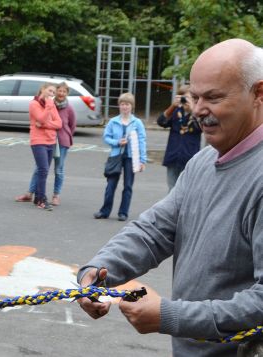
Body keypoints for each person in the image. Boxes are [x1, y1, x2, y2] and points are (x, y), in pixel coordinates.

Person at [77, 38, 263, 356]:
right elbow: (155, 229)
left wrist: (169, 315)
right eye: (194, 96)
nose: (199, 110)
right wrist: (99, 271)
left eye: (213, 97)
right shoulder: (202, 162)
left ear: (259, 93)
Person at [15, 82, 76, 206]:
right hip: (46, 140)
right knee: (40, 169)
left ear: (67, 94)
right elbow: (43, 119)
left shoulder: (68, 108)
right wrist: (48, 122)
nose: (60, 94)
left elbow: (68, 125)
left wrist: (44, 125)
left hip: (61, 141)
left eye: (64, 92)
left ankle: (55, 195)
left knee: (58, 169)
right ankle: (31, 194)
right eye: (58, 91)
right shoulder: (47, 104)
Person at [93, 92, 146, 221]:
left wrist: (142, 160)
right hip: (116, 156)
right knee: (110, 185)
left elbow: (142, 141)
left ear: (131, 106)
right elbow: (106, 137)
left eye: (127, 104)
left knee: (128, 185)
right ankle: (104, 211)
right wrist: (116, 142)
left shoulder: (137, 122)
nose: (124, 107)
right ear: (119, 106)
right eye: (122, 104)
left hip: (131, 157)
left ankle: (123, 212)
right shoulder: (113, 121)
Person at [156, 85, 202, 191]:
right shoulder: (176, 112)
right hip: (173, 156)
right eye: (183, 97)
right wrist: (172, 106)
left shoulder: (198, 115)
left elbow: (202, 127)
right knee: (172, 189)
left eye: (189, 98)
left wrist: (193, 110)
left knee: (187, 190)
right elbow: (161, 122)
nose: (185, 100)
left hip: (189, 158)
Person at [26, 83, 62, 210]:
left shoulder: (51, 105)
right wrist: (48, 106)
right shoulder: (34, 104)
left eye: (53, 92)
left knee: (43, 171)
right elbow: (40, 118)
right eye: (50, 91)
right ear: (43, 90)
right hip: (38, 141)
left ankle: (37, 198)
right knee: (43, 169)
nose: (52, 94)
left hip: (51, 141)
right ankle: (42, 199)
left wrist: (46, 124)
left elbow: (59, 124)